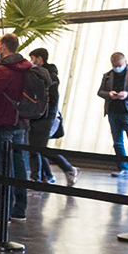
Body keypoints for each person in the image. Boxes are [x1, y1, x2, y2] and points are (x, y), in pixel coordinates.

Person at [0, 33, 31, 222]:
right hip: (20, 123)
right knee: (19, 168)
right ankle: (19, 209)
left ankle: (3, 211)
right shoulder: (26, 68)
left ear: (3, 47)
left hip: (1, 123)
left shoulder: (3, 70)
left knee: (2, 169)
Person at [27, 48, 78, 185]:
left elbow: (53, 99)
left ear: (39, 58)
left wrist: (49, 115)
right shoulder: (36, 74)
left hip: (46, 116)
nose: (32, 61)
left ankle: (67, 168)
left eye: (33, 58)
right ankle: (43, 176)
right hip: (35, 115)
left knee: (39, 147)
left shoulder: (50, 76)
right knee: (34, 147)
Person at [98, 52, 128, 177]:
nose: (116, 68)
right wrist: (109, 94)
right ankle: (123, 168)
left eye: (119, 65)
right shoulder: (108, 75)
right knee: (117, 142)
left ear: (125, 62)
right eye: (114, 65)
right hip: (113, 112)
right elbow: (100, 91)